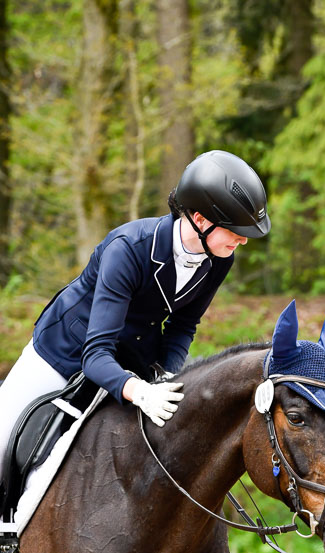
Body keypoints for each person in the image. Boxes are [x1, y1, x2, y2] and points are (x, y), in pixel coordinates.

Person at [0, 150, 271, 478]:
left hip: (134, 357)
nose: (242, 240)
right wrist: (140, 392)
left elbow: (183, 324)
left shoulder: (219, 258)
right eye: (234, 229)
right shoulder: (128, 249)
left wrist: (167, 374)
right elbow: (96, 355)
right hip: (65, 353)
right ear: (199, 219)